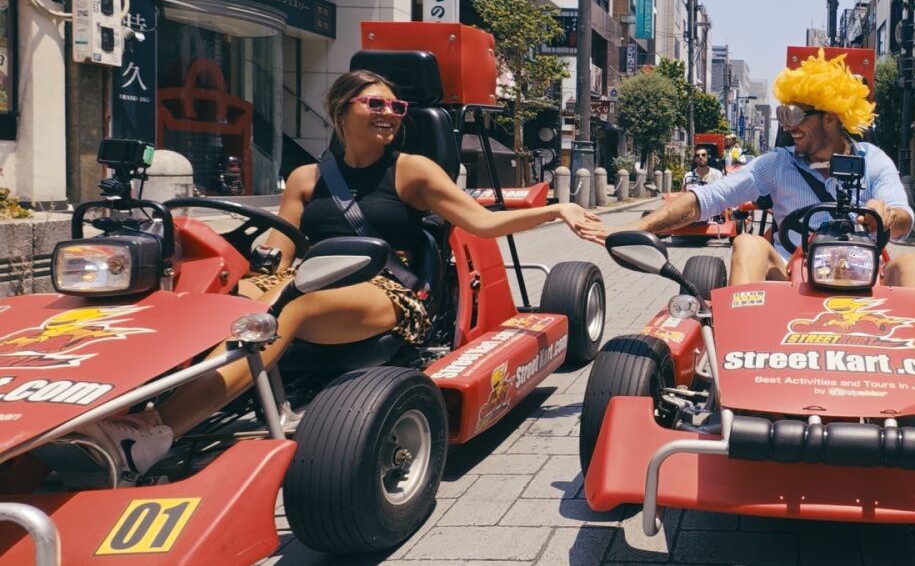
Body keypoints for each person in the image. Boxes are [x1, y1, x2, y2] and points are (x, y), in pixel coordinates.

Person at [74, 68, 603, 477]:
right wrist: (239, 281)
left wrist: (558, 209)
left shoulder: (413, 170)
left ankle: (155, 432)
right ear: (340, 110)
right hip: (308, 279)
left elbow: (483, 223)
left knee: (291, 307)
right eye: (375, 104)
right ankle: (120, 405)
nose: (389, 114)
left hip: (388, 291)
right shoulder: (305, 178)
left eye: (396, 107)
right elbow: (281, 246)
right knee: (226, 300)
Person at [586, 50, 915, 289]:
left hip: (863, 275)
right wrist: (633, 227)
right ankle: (739, 348)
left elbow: (903, 219)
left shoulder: (872, 159)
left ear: (829, 117)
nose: (788, 126)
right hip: (791, 277)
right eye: (782, 115)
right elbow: (708, 198)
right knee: (749, 244)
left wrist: (885, 215)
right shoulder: (777, 163)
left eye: (794, 115)